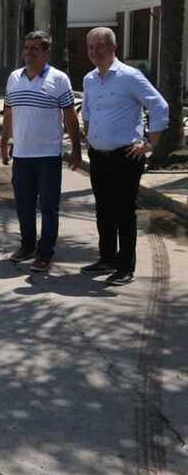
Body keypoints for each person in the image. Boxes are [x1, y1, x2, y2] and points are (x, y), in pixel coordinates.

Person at [80, 27, 168, 286]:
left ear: (113, 48)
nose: (95, 52)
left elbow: (159, 105)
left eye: (100, 46)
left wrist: (149, 143)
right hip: (99, 156)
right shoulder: (89, 79)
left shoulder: (130, 76)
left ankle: (125, 267)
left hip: (126, 156)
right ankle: (106, 258)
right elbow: (86, 111)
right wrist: (90, 135)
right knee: (103, 210)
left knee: (124, 212)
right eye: (91, 47)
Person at [0, 30, 82, 272]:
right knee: (23, 205)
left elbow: (70, 117)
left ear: (46, 51)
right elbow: (8, 113)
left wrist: (76, 150)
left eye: (35, 48)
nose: (29, 53)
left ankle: (45, 253)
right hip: (22, 155)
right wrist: (4, 141)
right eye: (26, 48)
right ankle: (27, 246)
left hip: (48, 156)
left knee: (48, 207)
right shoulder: (14, 78)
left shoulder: (59, 79)